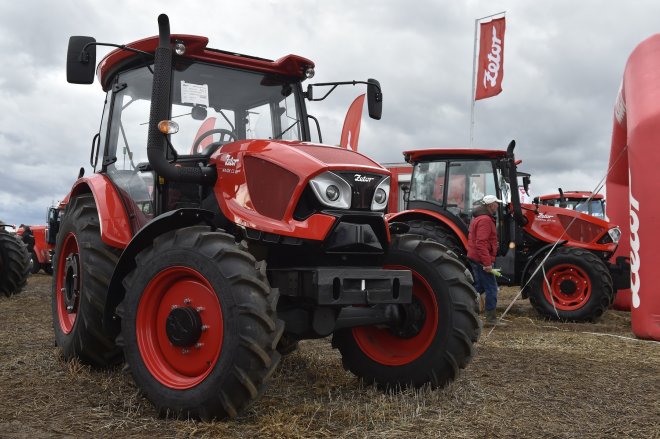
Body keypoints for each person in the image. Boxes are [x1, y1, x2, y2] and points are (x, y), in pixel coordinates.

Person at [467, 195, 506, 326]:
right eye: (496, 203)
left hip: (476, 257)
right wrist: (487, 263)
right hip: (482, 259)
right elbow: (481, 243)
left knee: (479, 286)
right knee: (491, 288)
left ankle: (465, 307)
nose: (498, 205)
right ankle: (491, 319)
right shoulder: (485, 220)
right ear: (490, 205)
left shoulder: (479, 218)